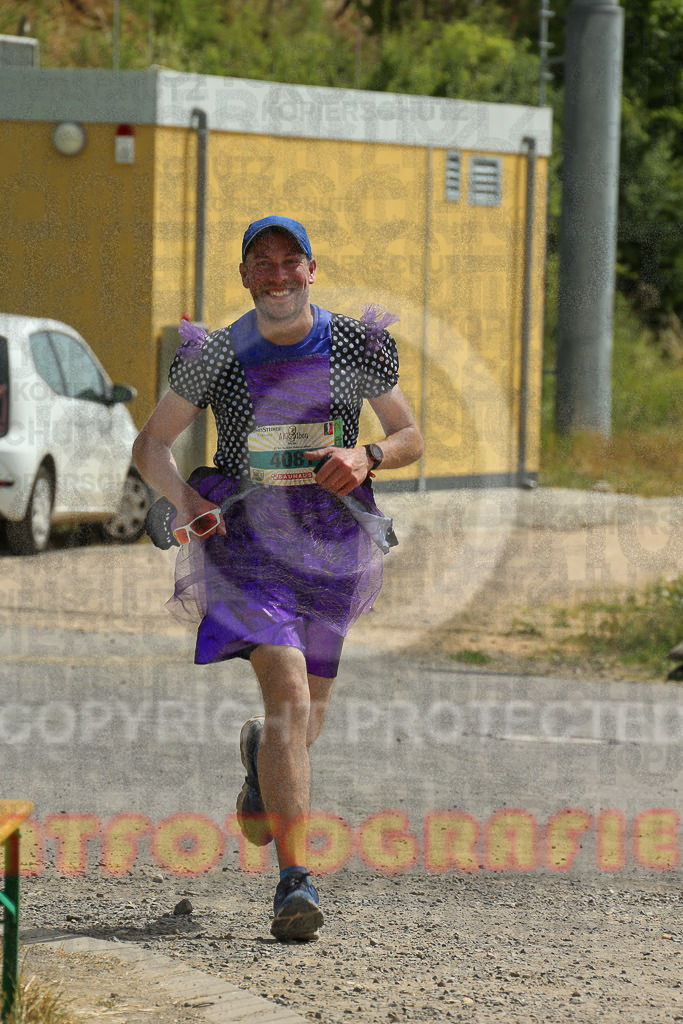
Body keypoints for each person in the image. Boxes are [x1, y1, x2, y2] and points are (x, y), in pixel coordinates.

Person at [132, 215, 423, 940]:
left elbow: (409, 435)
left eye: (290, 260)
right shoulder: (217, 353)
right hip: (247, 541)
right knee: (289, 689)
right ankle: (296, 882)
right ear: (244, 276)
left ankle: (262, 763)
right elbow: (151, 444)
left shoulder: (354, 343)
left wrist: (366, 456)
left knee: (303, 719)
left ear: (311, 270)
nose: (277, 274)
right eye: (261, 262)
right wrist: (187, 501)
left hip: (329, 541)